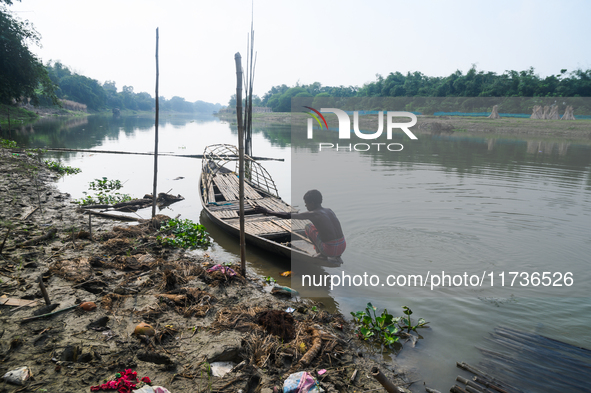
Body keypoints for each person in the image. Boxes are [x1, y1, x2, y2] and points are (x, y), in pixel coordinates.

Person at [255, 189, 346, 258]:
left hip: (329, 250)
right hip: (342, 246)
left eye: (306, 204)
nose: (306, 206)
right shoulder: (329, 210)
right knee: (318, 227)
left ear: (312, 203)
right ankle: (338, 257)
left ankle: (321, 254)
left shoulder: (313, 214)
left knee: (308, 226)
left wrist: (267, 211)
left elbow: (287, 215)